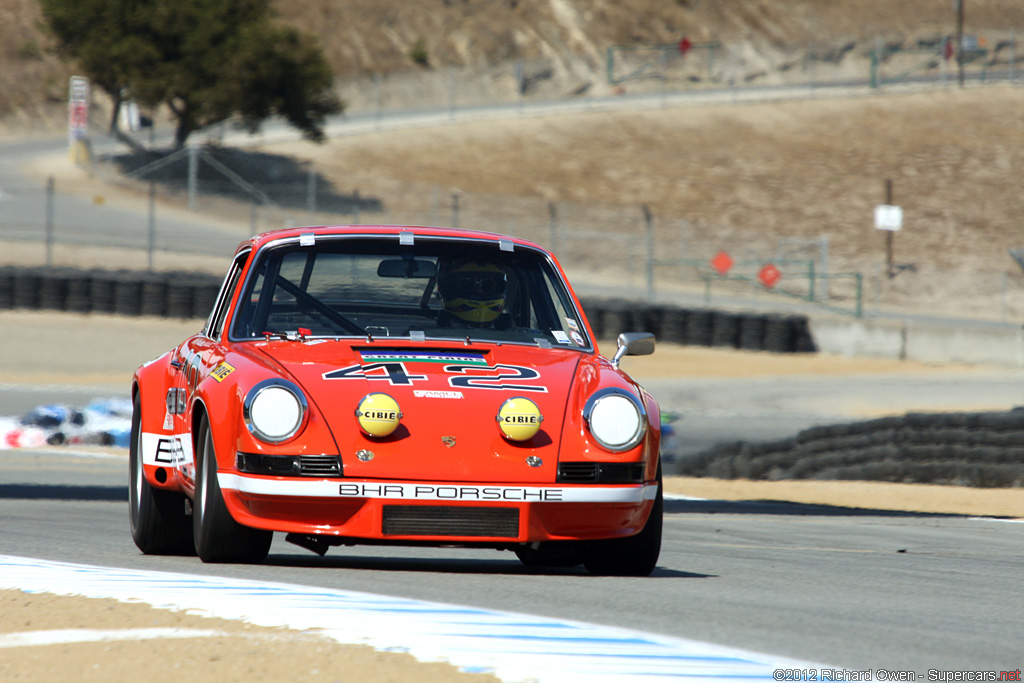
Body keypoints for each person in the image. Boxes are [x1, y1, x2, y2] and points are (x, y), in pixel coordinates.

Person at [436, 257, 511, 328]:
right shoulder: (428, 332)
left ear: (500, 287)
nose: (479, 291)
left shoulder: (516, 334)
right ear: (447, 287)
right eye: (467, 283)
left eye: (488, 284)